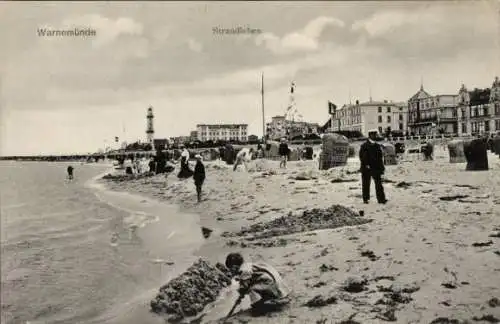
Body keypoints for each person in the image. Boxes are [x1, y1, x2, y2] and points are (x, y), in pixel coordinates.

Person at [225, 253, 290, 316]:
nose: (231, 272)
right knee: (255, 285)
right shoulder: (248, 265)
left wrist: (241, 292)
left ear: (234, 267)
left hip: (270, 283)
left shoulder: (243, 270)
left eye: (231, 270)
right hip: (274, 282)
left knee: (251, 289)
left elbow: (245, 286)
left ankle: (260, 307)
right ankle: (269, 299)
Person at [359, 132, 388, 204]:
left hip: (376, 168)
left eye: (375, 135)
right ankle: (366, 199)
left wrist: (382, 168)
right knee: (366, 184)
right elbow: (362, 157)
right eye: (373, 135)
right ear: (369, 136)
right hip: (367, 168)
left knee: (379, 184)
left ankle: (381, 199)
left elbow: (380, 158)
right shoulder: (364, 146)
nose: (375, 136)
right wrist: (366, 165)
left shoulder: (377, 146)